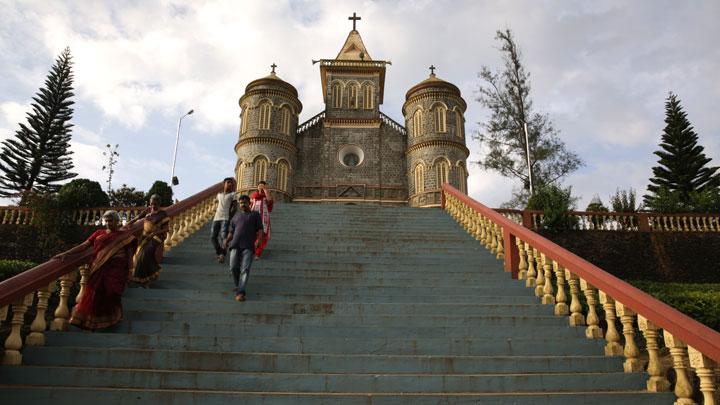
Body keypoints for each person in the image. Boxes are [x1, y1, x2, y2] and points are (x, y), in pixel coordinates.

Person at [53, 210, 136, 330]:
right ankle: (93, 323)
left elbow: (129, 255)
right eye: (106, 220)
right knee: (94, 294)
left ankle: (112, 319)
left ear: (117, 221)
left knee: (112, 292)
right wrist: (66, 253)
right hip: (98, 267)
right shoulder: (99, 233)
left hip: (116, 270)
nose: (108, 223)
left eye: (110, 220)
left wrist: (130, 271)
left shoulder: (124, 236)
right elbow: (84, 246)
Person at [224, 194, 263, 302]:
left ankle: (241, 292)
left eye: (244, 202)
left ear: (249, 203)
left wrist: (259, 240)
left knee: (245, 269)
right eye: (241, 203)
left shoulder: (255, 215)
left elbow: (260, 229)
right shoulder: (235, 216)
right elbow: (231, 232)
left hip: (248, 246)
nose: (242, 204)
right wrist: (227, 241)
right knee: (233, 267)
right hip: (235, 245)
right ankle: (238, 284)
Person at [128, 194, 169, 287]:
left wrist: (155, 233)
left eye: (155, 204)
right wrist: (130, 223)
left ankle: (153, 273)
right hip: (144, 236)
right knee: (139, 255)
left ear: (159, 204)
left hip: (157, 236)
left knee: (146, 253)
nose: (153, 206)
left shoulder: (163, 214)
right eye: (151, 204)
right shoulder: (147, 212)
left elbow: (166, 229)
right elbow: (138, 217)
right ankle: (143, 280)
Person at [211, 177, 236, 263]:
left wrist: (230, 216)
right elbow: (215, 202)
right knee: (213, 237)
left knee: (223, 237)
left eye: (231, 183)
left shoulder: (233, 194)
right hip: (216, 218)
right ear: (224, 184)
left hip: (225, 218)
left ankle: (222, 255)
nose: (230, 184)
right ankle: (219, 252)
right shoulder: (219, 195)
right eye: (228, 182)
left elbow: (235, 207)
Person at [250, 180, 273, 259]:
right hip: (253, 217)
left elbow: (270, 200)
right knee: (252, 233)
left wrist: (265, 190)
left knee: (262, 235)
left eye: (263, 185)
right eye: (259, 185)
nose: (261, 187)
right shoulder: (253, 196)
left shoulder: (266, 196)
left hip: (263, 217)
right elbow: (250, 206)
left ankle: (258, 253)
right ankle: (252, 250)